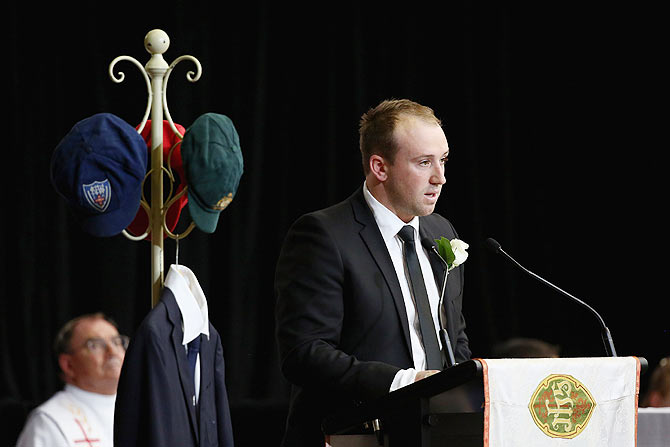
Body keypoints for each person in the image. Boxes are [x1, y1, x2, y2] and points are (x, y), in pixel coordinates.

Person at [275, 98, 471, 446]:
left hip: (436, 434)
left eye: (442, 160)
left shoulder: (442, 232)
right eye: (424, 163)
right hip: (355, 434)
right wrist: (404, 383)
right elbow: (304, 354)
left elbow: (453, 338)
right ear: (380, 167)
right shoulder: (324, 234)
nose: (440, 177)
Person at [16, 313, 127, 447]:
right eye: (96, 345)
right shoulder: (50, 421)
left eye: (117, 342)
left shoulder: (144, 405)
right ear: (68, 364)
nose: (112, 351)